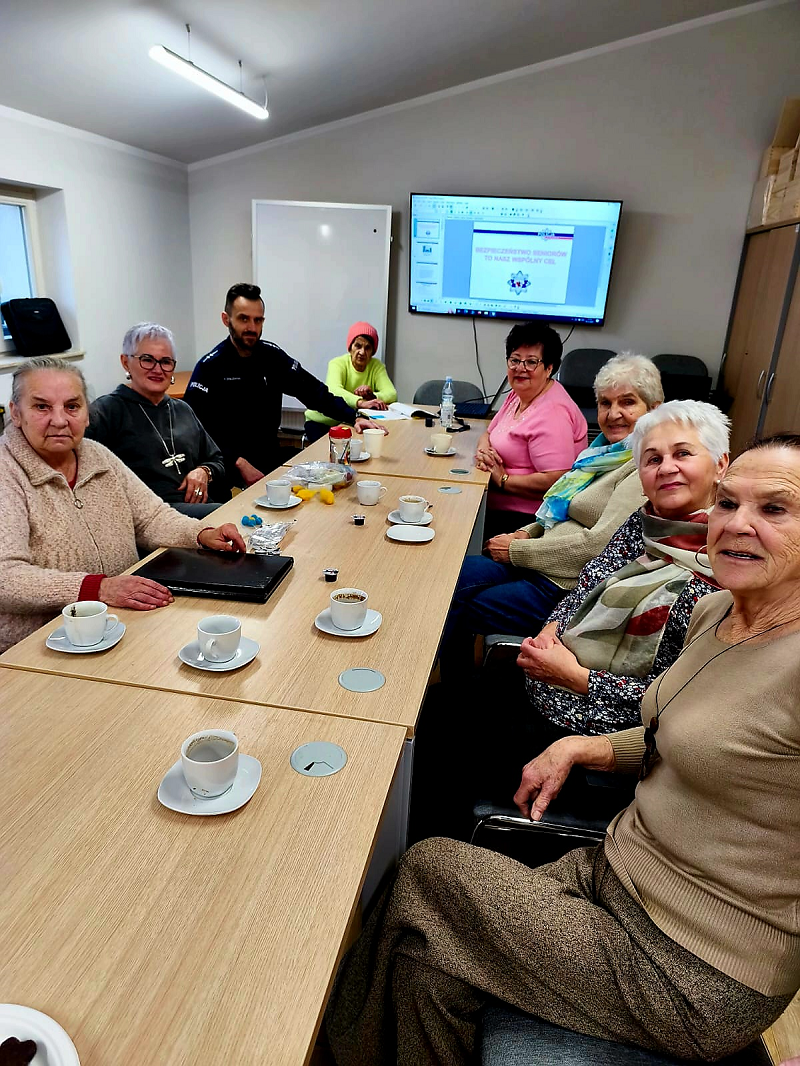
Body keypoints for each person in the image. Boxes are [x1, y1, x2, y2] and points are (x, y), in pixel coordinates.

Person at [325, 434, 800, 1066]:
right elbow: (683, 732)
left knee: (428, 869)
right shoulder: (716, 613)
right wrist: (588, 747)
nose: (738, 524)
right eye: (729, 503)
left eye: (775, 509)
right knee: (423, 962)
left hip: (694, 964)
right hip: (617, 872)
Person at [516, 399, 729, 744]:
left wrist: (578, 678)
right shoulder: (644, 523)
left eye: (683, 454)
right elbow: (586, 586)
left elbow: (689, 698)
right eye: (653, 459)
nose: (666, 468)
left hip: (603, 741)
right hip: (543, 691)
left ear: (721, 465)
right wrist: (551, 630)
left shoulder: (731, 560)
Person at [0, 358, 246, 654]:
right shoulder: (6, 472)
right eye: (42, 407)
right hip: (38, 648)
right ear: (16, 413)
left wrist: (201, 534)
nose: (60, 420)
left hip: (122, 623)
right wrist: (98, 588)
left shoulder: (97, 455)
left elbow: (151, 518)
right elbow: (6, 577)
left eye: (72, 406)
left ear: (87, 415)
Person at [441, 352, 663, 669]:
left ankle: (445, 690)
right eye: (605, 403)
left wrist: (516, 551)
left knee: (460, 604)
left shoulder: (643, 468)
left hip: (565, 587)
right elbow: (558, 510)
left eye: (627, 403)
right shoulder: (599, 454)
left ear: (653, 409)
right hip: (538, 560)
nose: (613, 413)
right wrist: (524, 533)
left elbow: (597, 548)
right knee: (450, 575)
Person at [184, 283, 387, 488]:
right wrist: (236, 461)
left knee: (331, 479)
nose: (252, 328)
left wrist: (354, 417)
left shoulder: (271, 356)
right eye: (244, 319)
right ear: (226, 319)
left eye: (258, 320)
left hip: (268, 457)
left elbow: (313, 391)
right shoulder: (209, 367)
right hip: (226, 464)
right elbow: (196, 429)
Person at [86, 323, 228, 518]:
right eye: (147, 360)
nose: (157, 369)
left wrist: (204, 471)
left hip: (195, 508)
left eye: (166, 362)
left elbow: (216, 460)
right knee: (227, 517)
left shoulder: (182, 409)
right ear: (126, 362)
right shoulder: (105, 412)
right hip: (149, 517)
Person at [475, 322, 587, 538]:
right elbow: (489, 432)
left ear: (549, 368)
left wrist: (503, 480)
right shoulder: (518, 394)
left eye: (531, 362)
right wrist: (484, 454)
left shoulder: (553, 412)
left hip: (526, 521)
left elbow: (557, 478)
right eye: (515, 360)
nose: (520, 368)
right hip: (492, 500)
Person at [304, 321, 397, 443]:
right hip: (322, 422)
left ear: (372, 352)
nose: (362, 352)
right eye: (358, 346)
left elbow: (392, 394)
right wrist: (360, 402)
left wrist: (372, 396)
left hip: (351, 422)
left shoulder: (376, 366)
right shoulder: (337, 363)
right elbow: (334, 390)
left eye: (367, 348)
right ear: (350, 348)